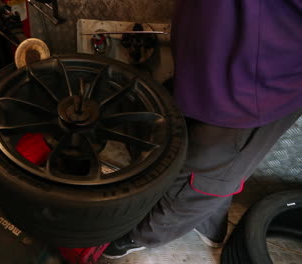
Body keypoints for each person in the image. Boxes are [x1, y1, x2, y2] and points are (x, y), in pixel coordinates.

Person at [103, 0, 302, 259]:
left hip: (253, 84)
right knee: (192, 157)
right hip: (211, 61)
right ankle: (210, 225)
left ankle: (140, 235)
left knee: (202, 179)